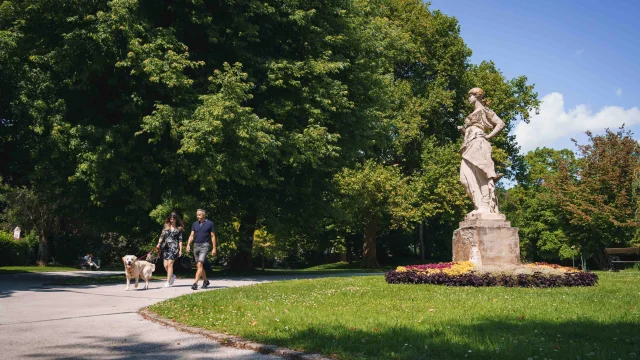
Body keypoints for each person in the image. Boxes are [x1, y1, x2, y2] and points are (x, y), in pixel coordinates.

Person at [457, 87, 505, 215]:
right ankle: (479, 206)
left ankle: (485, 206)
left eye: (470, 95)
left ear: (478, 96)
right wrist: (463, 130)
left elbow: (500, 124)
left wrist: (489, 136)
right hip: (468, 145)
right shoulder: (472, 114)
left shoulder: (485, 110)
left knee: (481, 174)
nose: (468, 98)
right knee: (464, 179)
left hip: (479, 143)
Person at [186, 209, 216, 290]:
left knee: (200, 264)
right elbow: (191, 235)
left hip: (205, 245)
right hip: (196, 245)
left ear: (204, 215)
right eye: (197, 215)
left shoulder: (210, 224)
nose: (197, 216)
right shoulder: (195, 224)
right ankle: (206, 281)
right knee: (199, 266)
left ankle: (195, 283)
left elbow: (213, 236)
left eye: (199, 215)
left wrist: (214, 248)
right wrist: (188, 245)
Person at [156, 212, 183, 288]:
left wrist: (180, 250)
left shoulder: (179, 229)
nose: (172, 219)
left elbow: (180, 240)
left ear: (176, 219)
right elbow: (161, 236)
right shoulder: (166, 227)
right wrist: (158, 244)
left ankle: (167, 282)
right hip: (166, 247)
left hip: (174, 247)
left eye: (174, 218)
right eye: (171, 217)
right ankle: (172, 275)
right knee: (165, 265)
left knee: (170, 264)